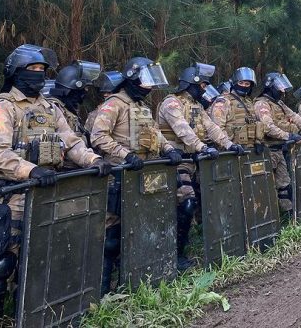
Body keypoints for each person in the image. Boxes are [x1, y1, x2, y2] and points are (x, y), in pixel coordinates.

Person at [0, 45, 111, 328]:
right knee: (2, 265)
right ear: (16, 73)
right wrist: (31, 170)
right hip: (12, 197)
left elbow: (71, 141)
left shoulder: (50, 108)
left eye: (42, 71)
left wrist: (93, 159)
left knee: (42, 260)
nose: (38, 75)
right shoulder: (1, 107)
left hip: (48, 194)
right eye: (32, 70)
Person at [88, 56, 183, 294]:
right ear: (132, 78)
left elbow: (155, 134)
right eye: (145, 81)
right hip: (119, 177)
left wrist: (170, 150)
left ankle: (140, 282)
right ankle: (101, 292)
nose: (149, 87)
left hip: (143, 176)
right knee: (111, 237)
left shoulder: (141, 106)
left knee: (144, 227)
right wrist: (125, 155)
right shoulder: (114, 104)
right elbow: (98, 136)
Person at [157, 62, 242, 270]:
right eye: (202, 85)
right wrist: (202, 147)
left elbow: (211, 127)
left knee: (200, 203)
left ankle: (190, 245)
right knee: (185, 204)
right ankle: (175, 255)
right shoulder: (172, 103)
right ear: (190, 84)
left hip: (194, 161)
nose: (204, 89)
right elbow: (182, 128)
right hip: (175, 162)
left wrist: (229, 144)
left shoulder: (196, 106)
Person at [253, 73, 301, 215]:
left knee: (285, 185)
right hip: (267, 151)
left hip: (278, 150)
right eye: (280, 87)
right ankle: (269, 220)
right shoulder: (262, 104)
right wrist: (288, 136)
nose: (282, 91)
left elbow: (294, 116)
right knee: (267, 188)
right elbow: (268, 127)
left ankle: (288, 217)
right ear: (270, 86)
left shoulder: (278, 103)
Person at [43, 60, 102, 164]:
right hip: (63, 171)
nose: (85, 92)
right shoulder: (53, 109)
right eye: (85, 88)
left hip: (78, 166)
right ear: (75, 87)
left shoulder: (68, 110)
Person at [209, 67, 265, 151]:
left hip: (250, 149)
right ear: (234, 82)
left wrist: (258, 142)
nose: (243, 86)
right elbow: (217, 128)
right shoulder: (224, 101)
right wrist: (229, 145)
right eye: (241, 82)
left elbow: (255, 123)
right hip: (231, 151)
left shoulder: (249, 102)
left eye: (247, 84)